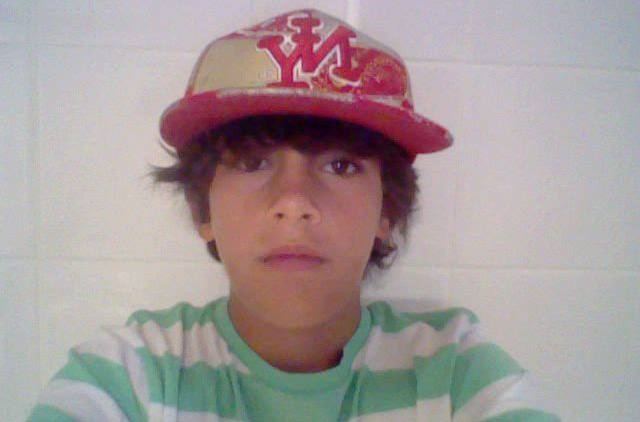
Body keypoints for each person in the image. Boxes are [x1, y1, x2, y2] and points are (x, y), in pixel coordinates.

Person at [27, 9, 560, 421]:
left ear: (387, 210)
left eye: (342, 165)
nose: (294, 202)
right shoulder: (129, 375)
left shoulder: (458, 372)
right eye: (252, 162)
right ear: (202, 208)